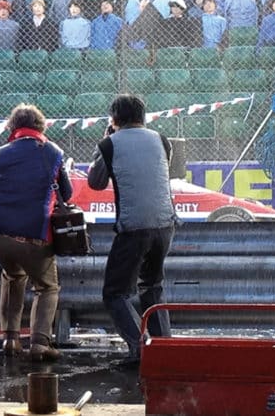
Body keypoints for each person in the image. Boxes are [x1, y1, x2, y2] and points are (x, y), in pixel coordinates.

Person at [87, 94, 176, 364]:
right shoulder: (161, 139)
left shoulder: (109, 143)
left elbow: (95, 182)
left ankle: (140, 349)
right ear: (143, 116)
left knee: (115, 293)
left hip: (133, 228)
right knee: (152, 286)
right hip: (165, 225)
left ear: (113, 119)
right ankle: (164, 349)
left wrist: (102, 146)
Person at [0, 104, 71, 361]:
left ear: (13, 128)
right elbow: (66, 194)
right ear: (40, 127)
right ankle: (40, 343)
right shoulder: (53, 152)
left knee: (12, 276)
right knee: (47, 287)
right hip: (33, 234)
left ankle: (10, 340)